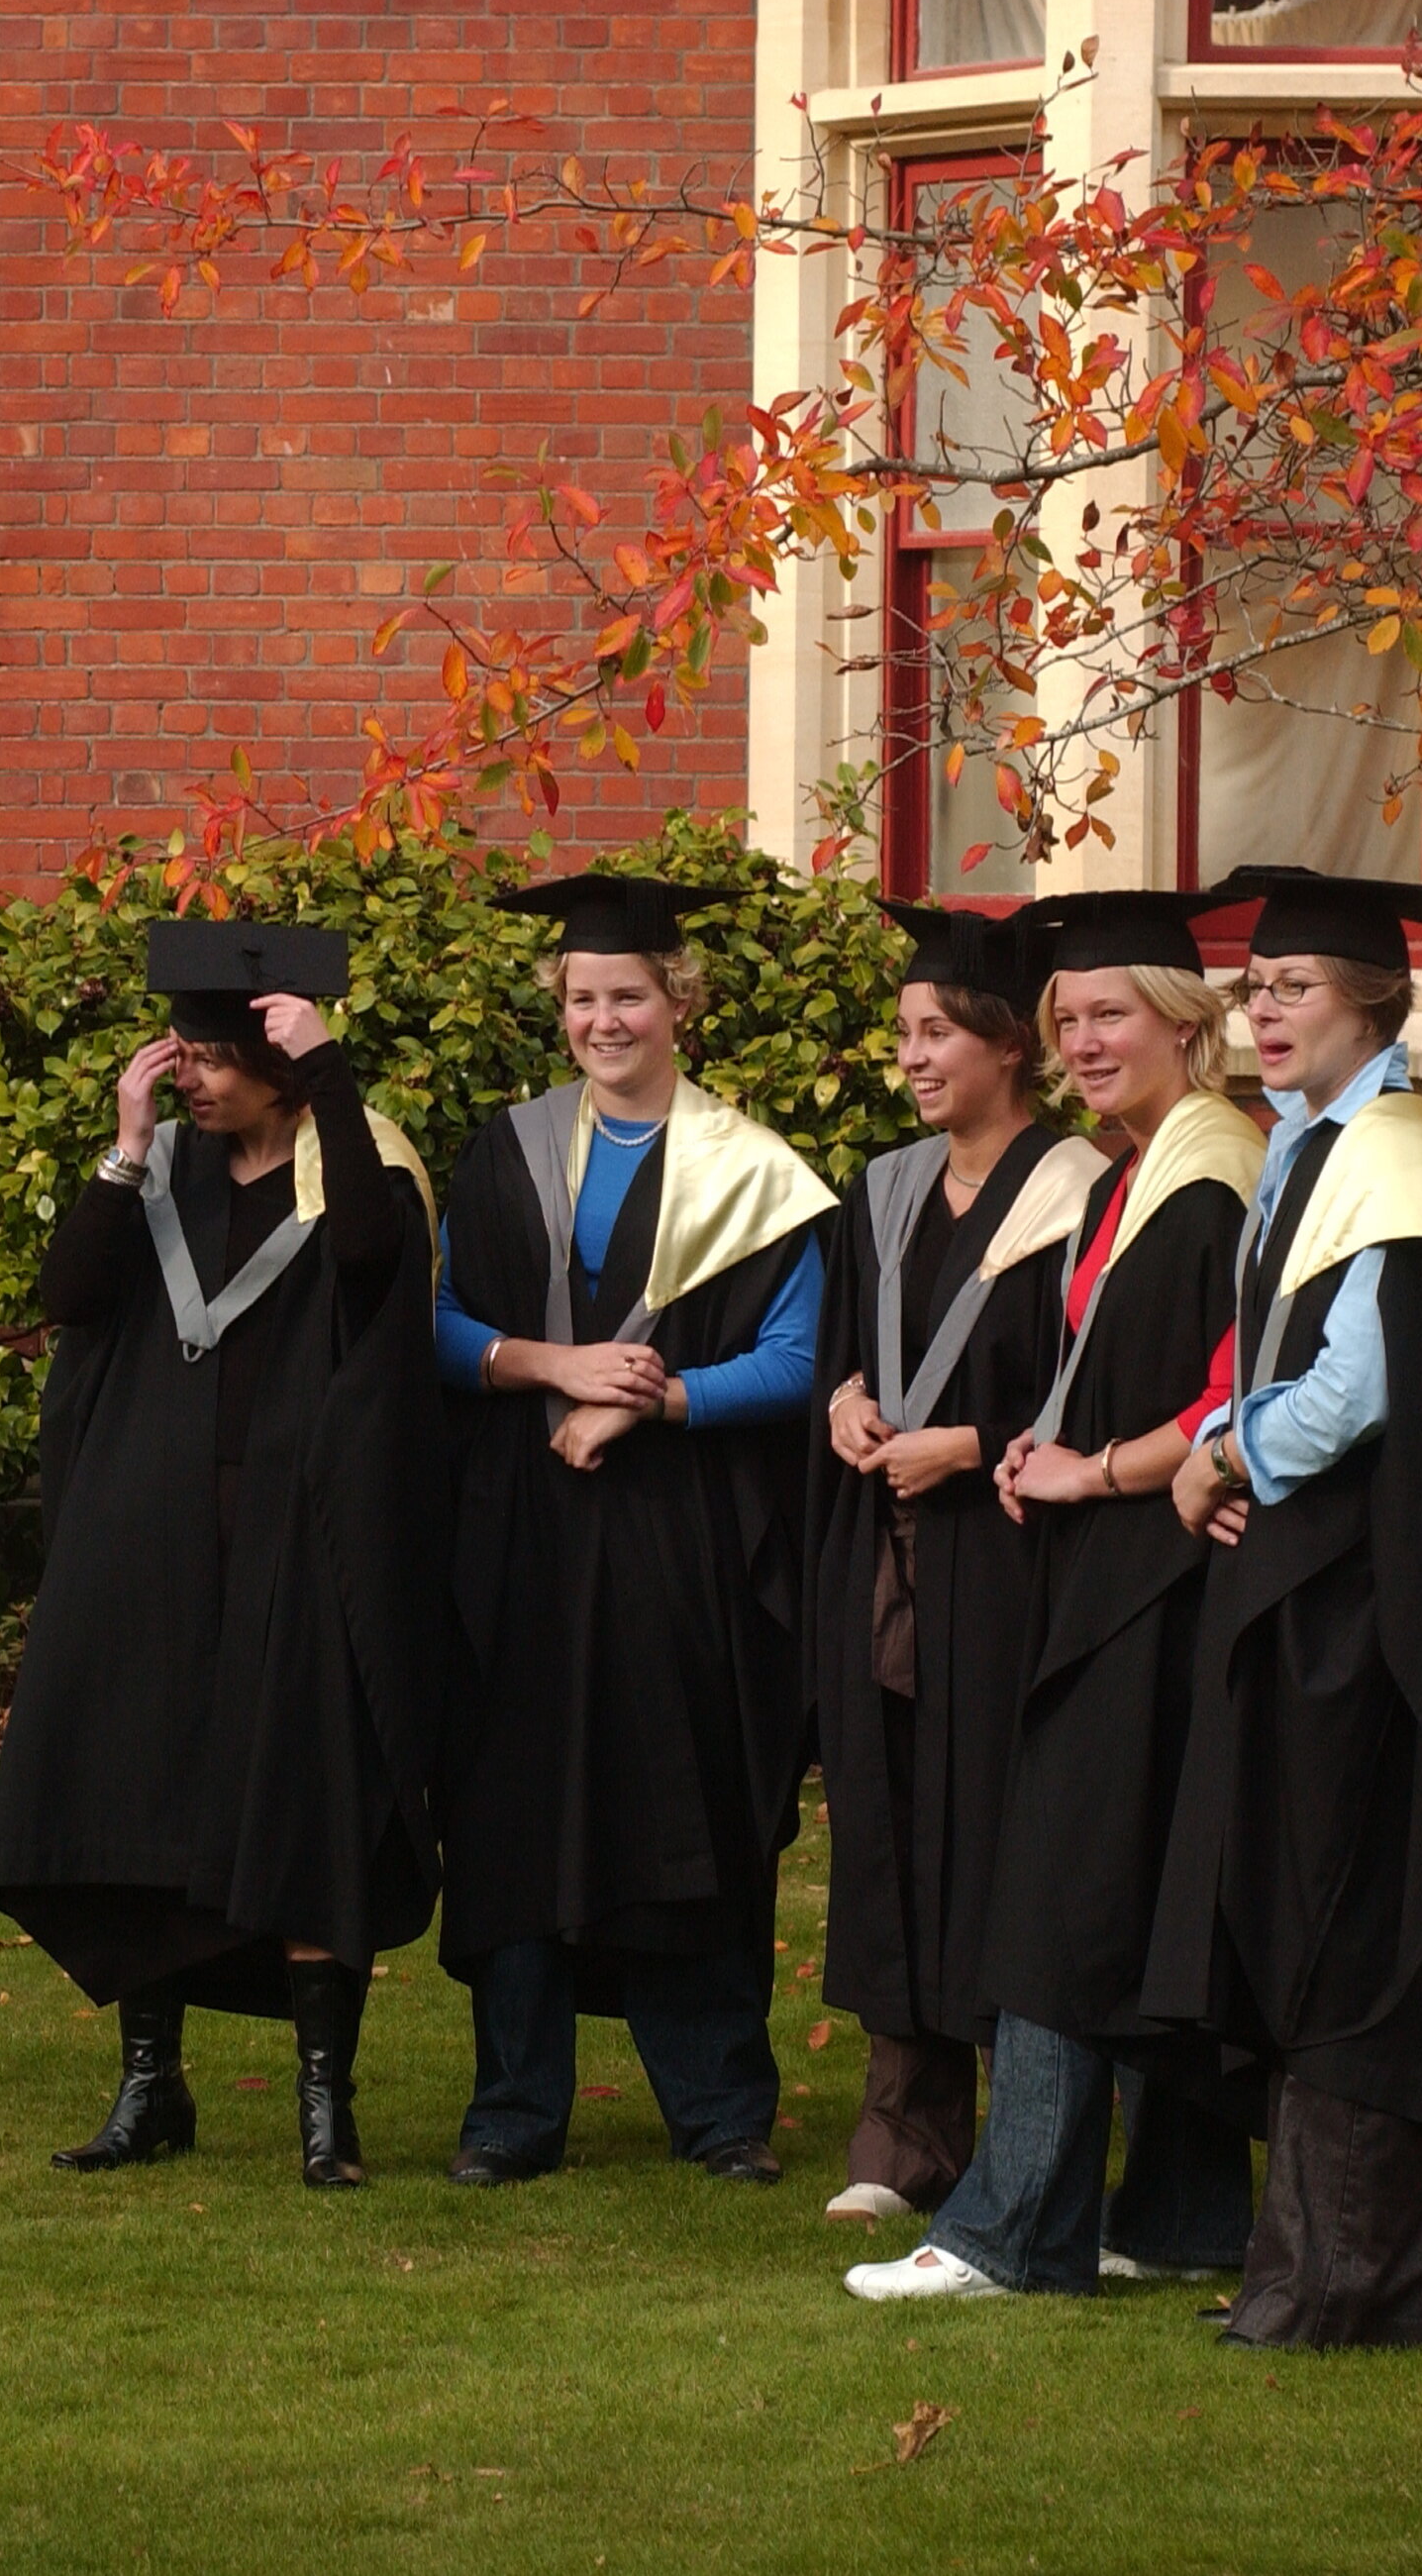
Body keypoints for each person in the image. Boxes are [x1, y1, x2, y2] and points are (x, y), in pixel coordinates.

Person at [1138, 865, 1422, 2349]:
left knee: (1348, 1914)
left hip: (1371, 1613)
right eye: (1254, 988)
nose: (1263, 1011)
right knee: (1301, 1901)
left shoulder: (1392, 1161)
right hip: (1313, 1589)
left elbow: (1355, 1388)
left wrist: (1222, 1452)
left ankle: (1344, 2281)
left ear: (1374, 1002)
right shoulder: (1308, 1145)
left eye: (1295, 988)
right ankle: (1308, 2270)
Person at [842, 887, 1269, 2303]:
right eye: (1067, 1016)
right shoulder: (1143, 1164)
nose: (1083, 1040)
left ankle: (1008, 2232)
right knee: (1139, 1893)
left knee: (1056, 1894)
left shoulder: (1207, 1176)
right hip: (1122, 1569)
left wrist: (1095, 1467)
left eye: (1109, 1014)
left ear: (1183, 1021)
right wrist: (1049, 1443)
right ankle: (1183, 2212)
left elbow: (1223, 1386)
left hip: (1152, 1579)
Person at [0, 921, 446, 2189]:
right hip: (159, 1536)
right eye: (179, 1053)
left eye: (214, 1059)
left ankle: (325, 2106)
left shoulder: (355, 1162)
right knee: (146, 1803)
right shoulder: (164, 1168)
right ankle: (151, 2086)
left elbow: (370, 1261)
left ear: (281, 1067)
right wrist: (126, 1148)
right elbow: (73, 1297)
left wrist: (332, 1075)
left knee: (308, 1802)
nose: (189, 1075)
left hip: (302, 1537)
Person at [433, 871, 841, 2188]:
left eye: (627, 995)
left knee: (684, 1803)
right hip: (522, 1532)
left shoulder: (754, 1172)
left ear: (679, 1003)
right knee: (512, 1809)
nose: (603, 1020)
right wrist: (548, 1364)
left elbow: (800, 1360)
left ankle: (718, 2107)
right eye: (581, 997)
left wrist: (656, 1399)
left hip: (682, 1542)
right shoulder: (503, 1150)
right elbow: (435, 1328)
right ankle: (512, 2109)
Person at [806, 901, 1107, 2223]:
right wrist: (843, 1404)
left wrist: (972, 1440)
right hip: (890, 1562)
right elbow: (842, 1347)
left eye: (936, 1033)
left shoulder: (1080, 1194)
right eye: (903, 1034)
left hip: (1005, 1559)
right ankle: (901, 2137)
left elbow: (1104, 1380)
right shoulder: (881, 1192)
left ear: (1005, 1044)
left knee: (996, 1835)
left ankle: (1018, 2141)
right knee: (887, 1828)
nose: (912, 1057)